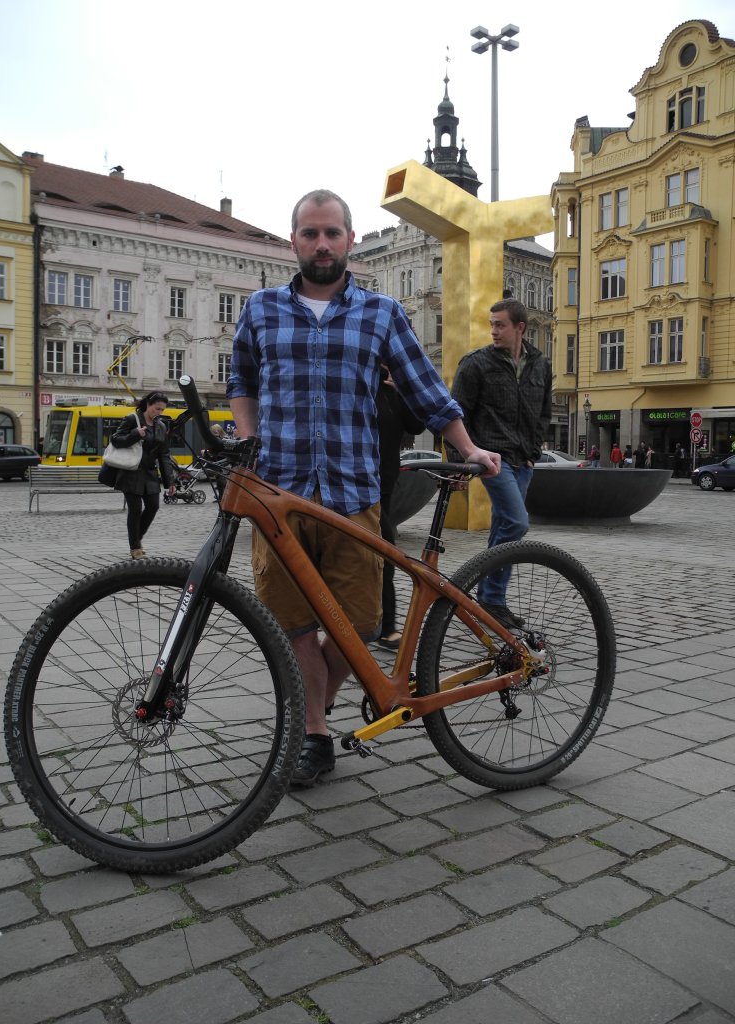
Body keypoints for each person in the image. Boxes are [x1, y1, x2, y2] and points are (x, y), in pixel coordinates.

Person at [227, 188, 500, 787]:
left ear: (351, 240)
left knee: (361, 625)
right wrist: (247, 439)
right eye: (309, 234)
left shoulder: (381, 315)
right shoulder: (262, 310)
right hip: (279, 493)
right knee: (292, 621)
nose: (321, 244)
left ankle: (310, 713)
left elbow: (426, 390)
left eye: (332, 234)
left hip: (354, 493)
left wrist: (469, 447)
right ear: (293, 241)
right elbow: (241, 380)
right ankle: (314, 734)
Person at [450, 298, 552, 628]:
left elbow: (544, 412)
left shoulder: (540, 364)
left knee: (502, 525)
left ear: (520, 328)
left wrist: (534, 451)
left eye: (500, 324)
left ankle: (491, 601)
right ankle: (490, 596)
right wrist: (459, 464)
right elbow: (455, 412)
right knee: (516, 523)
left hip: (523, 459)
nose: (493, 330)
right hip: (491, 457)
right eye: (491, 324)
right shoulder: (476, 364)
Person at [376, 366, 425, 650]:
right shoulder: (362, 390)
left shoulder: (392, 394)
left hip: (384, 486)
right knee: (386, 550)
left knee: (378, 555)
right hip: (358, 485)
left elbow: (417, 425)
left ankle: (376, 623)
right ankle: (385, 628)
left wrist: (402, 388)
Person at [106, 391, 176, 558]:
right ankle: (135, 547)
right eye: (157, 408)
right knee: (135, 509)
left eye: (162, 410)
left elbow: (164, 455)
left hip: (150, 472)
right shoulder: (133, 419)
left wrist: (170, 482)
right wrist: (135, 434)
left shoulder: (161, 426)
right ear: (148, 405)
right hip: (131, 471)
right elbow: (115, 439)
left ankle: (137, 538)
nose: (159, 413)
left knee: (153, 506)